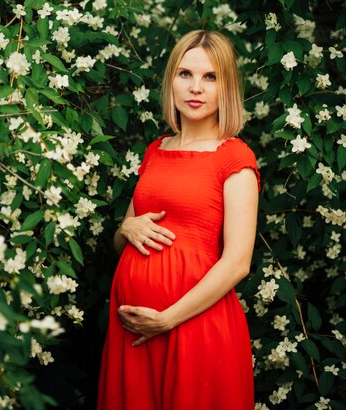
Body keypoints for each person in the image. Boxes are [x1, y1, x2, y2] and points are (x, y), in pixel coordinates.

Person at [97, 29, 260, 410]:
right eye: (185, 74)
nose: (195, 88)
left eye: (210, 77)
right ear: (171, 81)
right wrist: (125, 227)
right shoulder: (156, 150)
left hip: (192, 326)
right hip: (133, 332)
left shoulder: (235, 159)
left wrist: (167, 319)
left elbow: (238, 262)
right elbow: (124, 240)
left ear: (226, 88)